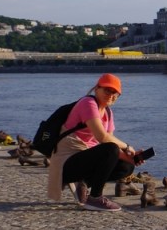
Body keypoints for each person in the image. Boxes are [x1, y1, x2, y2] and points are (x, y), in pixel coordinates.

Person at [45, 73, 149, 212]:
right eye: (107, 90)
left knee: (126, 166)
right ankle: (94, 198)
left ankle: (83, 183)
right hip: (66, 162)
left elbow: (110, 145)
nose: (111, 95)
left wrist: (131, 157)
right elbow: (103, 138)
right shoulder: (87, 103)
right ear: (96, 89)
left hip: (82, 160)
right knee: (110, 148)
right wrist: (128, 146)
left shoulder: (108, 113)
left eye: (115, 93)